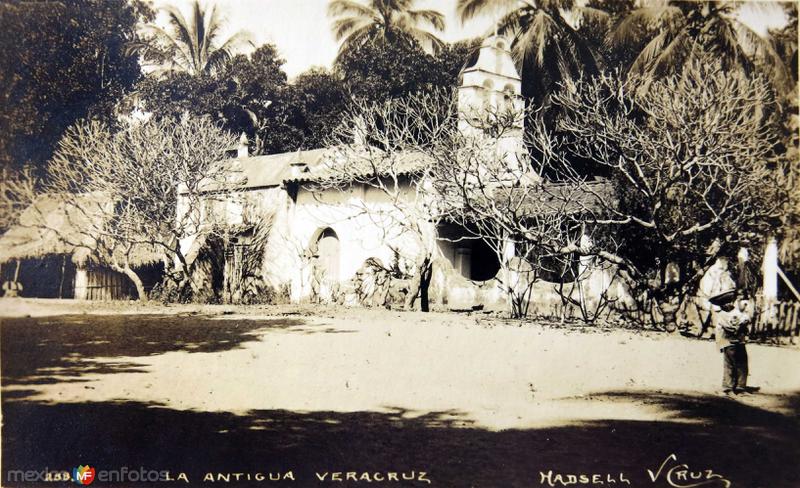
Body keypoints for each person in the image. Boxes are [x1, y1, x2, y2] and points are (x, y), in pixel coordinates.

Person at [712, 291, 752, 395]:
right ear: (721, 305)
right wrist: (719, 344)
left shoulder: (738, 312)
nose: (727, 305)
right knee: (729, 365)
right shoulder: (721, 315)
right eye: (724, 303)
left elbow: (746, 319)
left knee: (742, 364)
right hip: (728, 341)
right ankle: (728, 388)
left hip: (740, 341)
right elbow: (719, 330)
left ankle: (740, 387)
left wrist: (744, 324)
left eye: (729, 302)